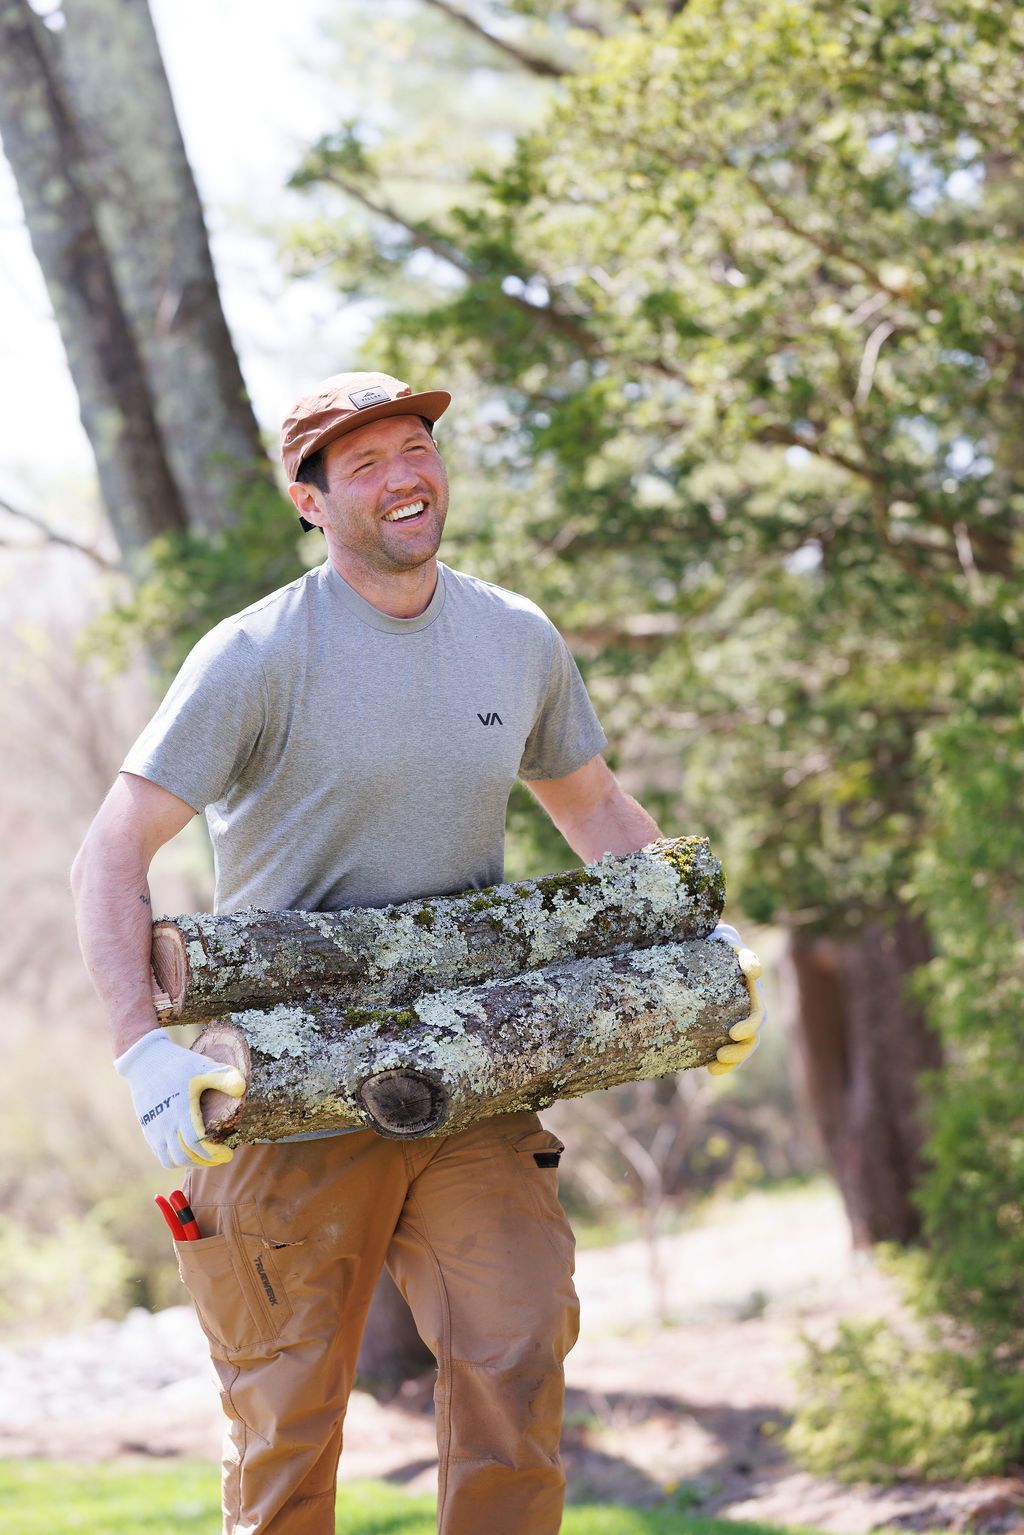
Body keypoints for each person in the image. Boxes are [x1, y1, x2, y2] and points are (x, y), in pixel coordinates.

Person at [71, 371, 762, 1535]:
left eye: (416, 448)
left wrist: (698, 945)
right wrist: (140, 1047)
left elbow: (591, 807)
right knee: (286, 1425)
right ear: (310, 499)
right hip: (289, 1086)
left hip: (470, 1064)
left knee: (520, 1346)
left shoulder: (512, 635)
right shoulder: (255, 655)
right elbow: (109, 851)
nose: (404, 478)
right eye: (365, 463)